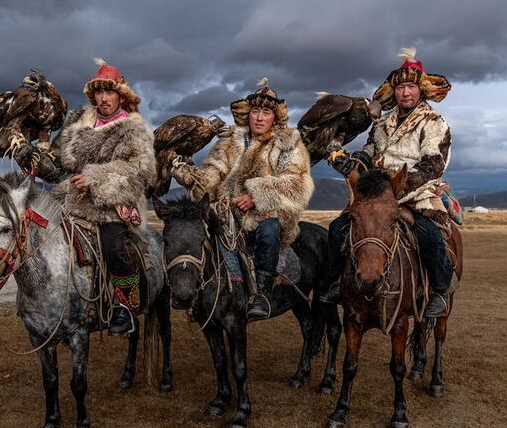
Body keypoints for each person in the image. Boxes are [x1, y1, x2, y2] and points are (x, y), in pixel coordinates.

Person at [14, 58, 156, 334]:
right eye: (99, 93)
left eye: (110, 92)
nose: (103, 98)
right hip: (67, 203)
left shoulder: (134, 130)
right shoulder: (76, 123)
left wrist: (95, 180)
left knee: (113, 246)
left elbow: (140, 172)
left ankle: (126, 308)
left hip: (111, 207)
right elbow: (57, 166)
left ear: (121, 96)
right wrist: (34, 158)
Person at [322, 48, 454, 317]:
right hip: (375, 196)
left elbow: (433, 164)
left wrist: (395, 190)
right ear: (393, 92)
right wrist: (350, 163)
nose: (405, 93)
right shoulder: (382, 123)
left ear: (421, 90)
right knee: (338, 228)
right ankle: (336, 282)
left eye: (411, 87)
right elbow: (369, 152)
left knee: (428, 233)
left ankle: (440, 290)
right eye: (401, 87)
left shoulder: (434, 122)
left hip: (415, 195)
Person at [171, 79, 314, 320]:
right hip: (226, 210)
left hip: (268, 211)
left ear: (275, 117)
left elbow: (297, 182)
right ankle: (200, 295)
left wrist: (257, 197)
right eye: (255, 111)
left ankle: (262, 294)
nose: (259, 117)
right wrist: (191, 177)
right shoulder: (229, 142)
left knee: (268, 231)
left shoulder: (288, 143)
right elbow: (214, 173)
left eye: (266, 112)